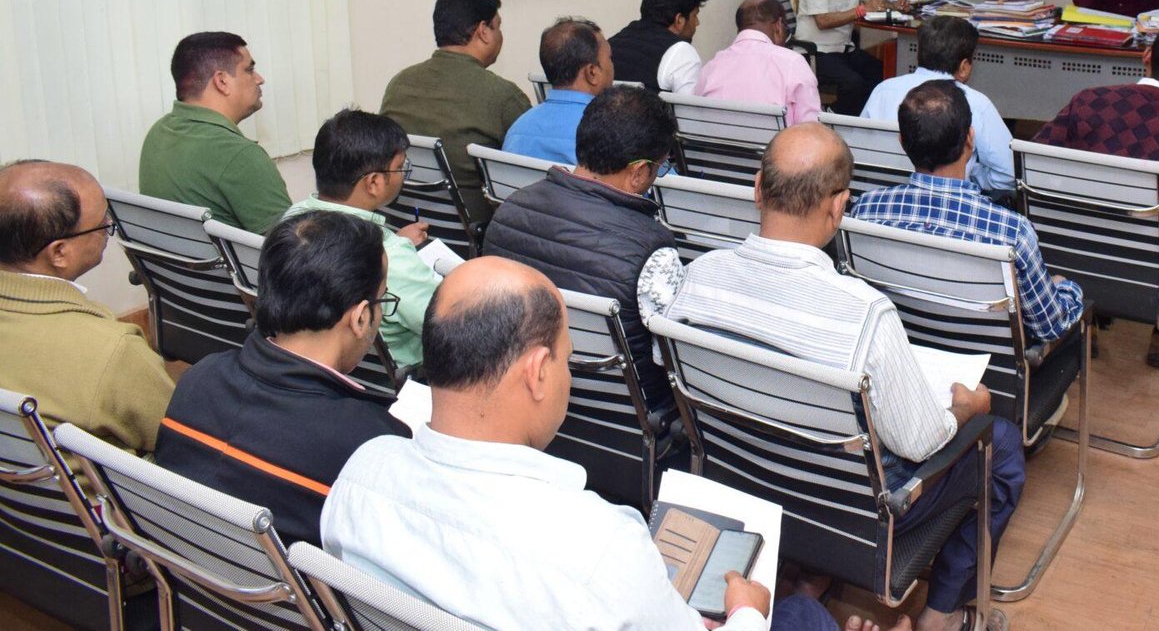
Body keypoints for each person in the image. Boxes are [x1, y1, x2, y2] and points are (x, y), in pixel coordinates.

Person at [321, 256, 839, 631]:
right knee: (802, 614)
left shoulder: (362, 473)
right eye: (566, 360)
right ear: (537, 373)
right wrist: (746, 612)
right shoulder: (602, 549)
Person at [663, 123, 1025, 631]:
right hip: (848, 514)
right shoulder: (865, 313)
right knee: (999, 442)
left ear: (758, 189)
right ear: (838, 207)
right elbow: (921, 442)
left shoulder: (697, 278)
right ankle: (941, 615)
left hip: (742, 481)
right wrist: (966, 407)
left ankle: (805, 575)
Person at [154, 211, 409, 547]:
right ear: (361, 317)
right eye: (382, 299)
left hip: (193, 570)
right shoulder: (371, 444)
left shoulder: (198, 378)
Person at [1032, 21, 1159, 368]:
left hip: (1073, 243)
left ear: (1146, 56)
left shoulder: (1088, 101)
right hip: (1145, 257)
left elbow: (1038, 161)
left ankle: (1083, 320)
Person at [483, 86, 681, 412]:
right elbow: (669, 359)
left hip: (523, 400)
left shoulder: (509, 210)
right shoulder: (654, 249)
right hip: (623, 414)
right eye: (659, 167)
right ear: (638, 172)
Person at [853, 81, 1082, 350]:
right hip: (989, 368)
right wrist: (1067, 289)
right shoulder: (1011, 232)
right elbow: (1050, 326)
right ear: (970, 140)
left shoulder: (864, 211)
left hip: (902, 355)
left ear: (902, 143)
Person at [0, 160, 173, 454]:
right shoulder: (113, 352)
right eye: (102, 224)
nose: (108, 229)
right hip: (109, 485)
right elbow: (181, 437)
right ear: (59, 252)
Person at [283, 110, 439, 372]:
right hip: (403, 379)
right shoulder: (389, 256)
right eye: (401, 167)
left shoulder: (291, 221)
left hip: (315, 371)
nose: (403, 174)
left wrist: (395, 242)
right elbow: (448, 326)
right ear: (374, 182)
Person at [380, 0, 531, 228]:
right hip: (475, 233)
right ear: (483, 31)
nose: (501, 36)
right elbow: (529, 180)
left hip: (405, 228)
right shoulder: (503, 96)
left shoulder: (399, 84)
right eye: (498, 26)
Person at [139, 31, 291, 234]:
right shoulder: (239, 155)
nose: (259, 79)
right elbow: (291, 248)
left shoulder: (158, 132)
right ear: (222, 81)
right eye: (249, 70)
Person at [861, 16, 1015, 194]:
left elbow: (859, 147)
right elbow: (1009, 174)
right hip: (952, 201)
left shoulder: (882, 90)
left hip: (882, 195)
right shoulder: (976, 102)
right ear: (964, 67)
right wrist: (971, 172)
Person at [503, 17, 615, 165]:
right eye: (610, 58)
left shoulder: (517, 130)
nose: (612, 65)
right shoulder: (611, 131)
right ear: (592, 72)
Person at [696, 0, 822, 126]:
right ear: (779, 25)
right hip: (776, 139)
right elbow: (811, 127)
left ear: (740, 29)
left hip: (719, 139)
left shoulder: (710, 68)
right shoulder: (793, 63)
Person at [608, 0, 711, 94]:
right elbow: (690, 106)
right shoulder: (681, 52)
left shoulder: (611, 44)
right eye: (695, 15)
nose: (697, 23)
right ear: (679, 20)